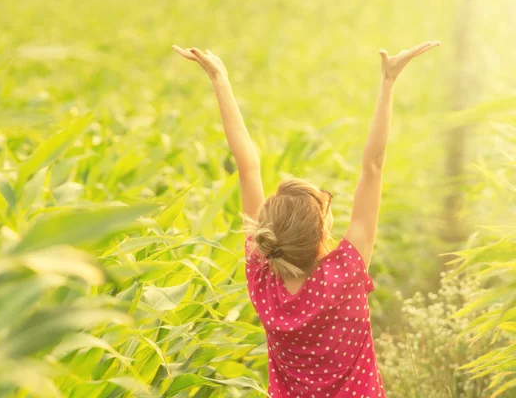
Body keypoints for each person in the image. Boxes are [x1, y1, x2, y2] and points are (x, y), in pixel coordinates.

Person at [173, 40, 440, 398]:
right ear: (321, 232)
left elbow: (247, 165)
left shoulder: (263, 278)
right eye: (325, 204)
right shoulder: (346, 270)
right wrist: (388, 83)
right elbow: (373, 166)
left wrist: (220, 81)